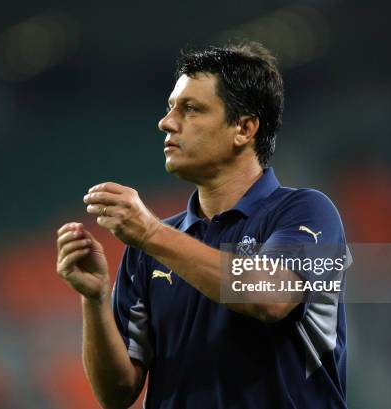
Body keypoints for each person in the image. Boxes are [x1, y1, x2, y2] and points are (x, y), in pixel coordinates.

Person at [56, 41, 351, 409]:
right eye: (170, 108)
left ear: (243, 128)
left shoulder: (305, 211)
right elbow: (116, 393)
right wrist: (95, 299)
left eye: (191, 109)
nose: (166, 122)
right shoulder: (150, 249)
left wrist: (150, 233)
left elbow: (272, 296)